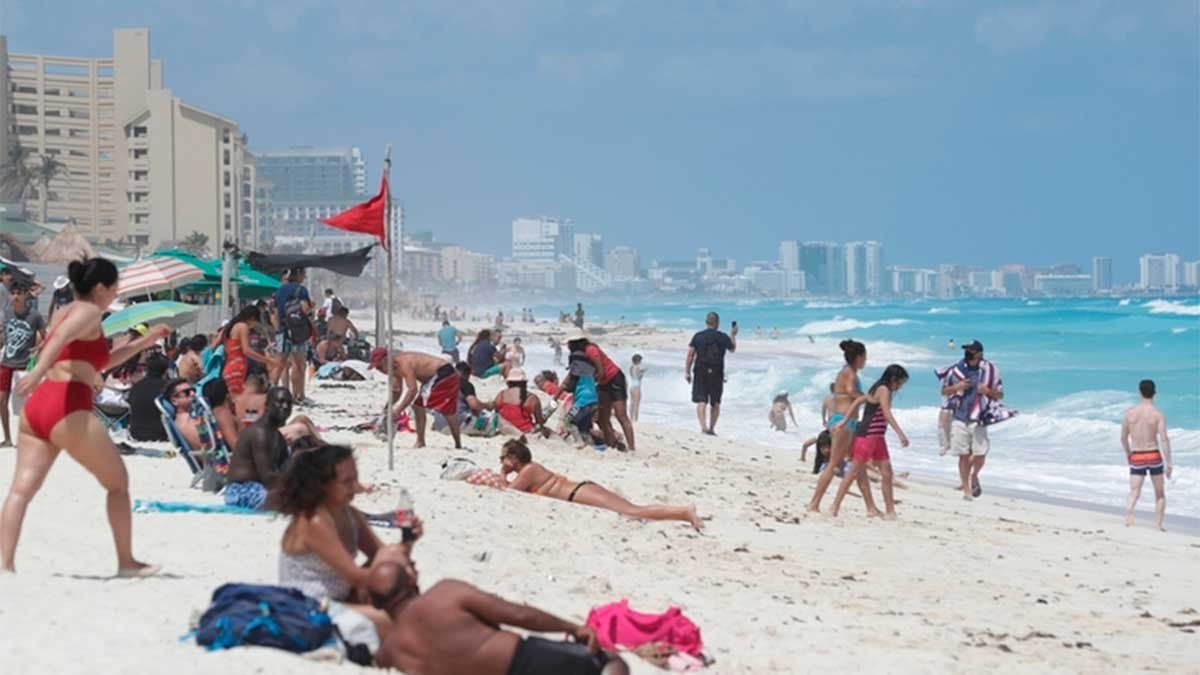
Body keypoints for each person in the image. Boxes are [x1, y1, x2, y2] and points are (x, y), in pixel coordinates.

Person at [2, 257, 166, 575]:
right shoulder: (89, 311)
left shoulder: (65, 311)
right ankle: (126, 562)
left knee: (21, 490)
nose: (117, 292)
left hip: (39, 408)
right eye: (115, 286)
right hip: (67, 406)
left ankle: (4, 567)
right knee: (118, 483)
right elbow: (60, 342)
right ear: (101, 287)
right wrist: (36, 373)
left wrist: (144, 342)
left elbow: (96, 362)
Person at [373, 563, 628, 675]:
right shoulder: (444, 594)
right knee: (611, 661)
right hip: (521, 663)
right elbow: (518, 615)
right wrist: (572, 627)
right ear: (412, 580)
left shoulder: (390, 651)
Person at [273, 444, 418, 641]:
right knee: (388, 621)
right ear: (324, 485)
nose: (355, 487)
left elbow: (381, 554)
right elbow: (355, 576)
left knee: (391, 558)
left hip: (341, 595)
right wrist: (399, 580)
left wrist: (408, 542)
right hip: (308, 605)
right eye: (347, 482)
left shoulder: (349, 514)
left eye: (355, 479)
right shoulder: (314, 520)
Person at [502, 438, 702, 529]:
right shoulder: (529, 471)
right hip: (579, 491)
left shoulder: (529, 470)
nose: (501, 461)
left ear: (513, 457)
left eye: (503, 458)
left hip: (579, 492)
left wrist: (503, 473)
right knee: (630, 512)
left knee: (632, 511)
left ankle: (684, 511)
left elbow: (510, 492)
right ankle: (682, 514)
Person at [829, 365, 910, 519]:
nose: (900, 386)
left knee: (887, 473)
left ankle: (890, 512)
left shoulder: (880, 388)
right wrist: (900, 434)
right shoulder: (883, 389)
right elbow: (886, 413)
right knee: (853, 473)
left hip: (878, 437)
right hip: (867, 436)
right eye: (900, 382)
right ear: (893, 379)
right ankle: (834, 507)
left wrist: (845, 420)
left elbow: (860, 399)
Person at [807, 339, 878, 515]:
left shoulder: (848, 372)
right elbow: (852, 392)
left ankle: (871, 507)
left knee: (859, 464)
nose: (866, 361)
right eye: (865, 357)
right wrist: (869, 398)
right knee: (833, 464)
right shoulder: (849, 374)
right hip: (843, 422)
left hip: (849, 422)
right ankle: (813, 504)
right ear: (858, 357)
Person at [941, 340, 1008, 501]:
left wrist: (988, 391)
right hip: (960, 416)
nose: (967, 352)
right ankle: (966, 490)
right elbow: (944, 391)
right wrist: (957, 387)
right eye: (966, 349)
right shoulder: (957, 370)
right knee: (963, 455)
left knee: (980, 454)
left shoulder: (990, 371)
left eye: (971, 350)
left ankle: (974, 475)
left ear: (979, 353)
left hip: (979, 417)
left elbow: (1000, 395)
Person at [370, 348, 463, 449]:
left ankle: (421, 441)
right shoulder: (394, 367)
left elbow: (412, 389)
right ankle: (458, 445)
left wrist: (398, 411)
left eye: (379, 366)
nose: (378, 370)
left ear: (386, 360)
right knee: (447, 410)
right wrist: (387, 409)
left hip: (443, 373)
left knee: (418, 406)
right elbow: (396, 391)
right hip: (443, 375)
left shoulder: (404, 363)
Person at [225, 387, 297, 509]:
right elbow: (268, 477)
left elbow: (286, 468)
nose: (285, 406)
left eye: (289, 403)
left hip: (260, 486)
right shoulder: (260, 434)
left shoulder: (277, 436)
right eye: (280, 402)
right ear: (267, 405)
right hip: (241, 491)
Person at [1121, 379, 1173, 531]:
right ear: (1154, 393)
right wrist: (1169, 463)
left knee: (1134, 491)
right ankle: (1158, 525)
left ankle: (1130, 511)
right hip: (1153, 455)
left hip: (1137, 455)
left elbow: (1123, 438)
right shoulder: (1158, 414)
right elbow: (1164, 439)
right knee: (1160, 493)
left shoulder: (1129, 414)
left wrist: (1128, 454)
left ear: (1139, 392)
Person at [1, 281, 46, 447]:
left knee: (26, 405)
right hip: (6, 362)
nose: (15, 296)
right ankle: (7, 438)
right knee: (1, 401)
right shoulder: (6, 312)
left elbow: (46, 336)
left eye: (19, 293)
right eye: (13, 293)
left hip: (24, 364)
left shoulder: (34, 316)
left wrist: (38, 349)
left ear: (27, 295)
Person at [684, 312, 737, 436]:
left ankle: (703, 428)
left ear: (706, 322)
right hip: (717, 372)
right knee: (715, 402)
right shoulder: (722, 337)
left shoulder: (698, 336)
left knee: (702, 400)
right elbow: (732, 349)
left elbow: (690, 355)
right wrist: (733, 335)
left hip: (700, 371)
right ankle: (712, 429)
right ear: (717, 323)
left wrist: (687, 371)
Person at [220, 304, 276, 409]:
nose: (254, 327)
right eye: (255, 323)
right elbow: (247, 350)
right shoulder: (243, 326)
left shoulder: (231, 327)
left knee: (231, 402)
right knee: (237, 402)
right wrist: (267, 360)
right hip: (237, 367)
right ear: (252, 318)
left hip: (230, 366)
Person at [275, 267, 313, 404]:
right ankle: (299, 395)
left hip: (283, 330)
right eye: (303, 274)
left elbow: (274, 312)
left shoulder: (279, 290)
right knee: (299, 364)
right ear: (298, 273)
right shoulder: (301, 290)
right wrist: (311, 308)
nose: (304, 277)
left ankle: (271, 392)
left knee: (280, 364)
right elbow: (305, 309)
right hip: (298, 331)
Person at [493, 368, 550, 438]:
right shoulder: (532, 398)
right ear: (525, 383)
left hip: (504, 430)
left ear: (508, 383)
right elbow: (539, 423)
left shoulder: (501, 395)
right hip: (525, 431)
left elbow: (496, 414)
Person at [126, 355, 171, 442]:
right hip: (161, 435)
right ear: (165, 371)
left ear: (147, 370)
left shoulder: (136, 387)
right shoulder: (169, 388)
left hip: (136, 433)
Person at [628, 354, 645, 422]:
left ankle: (631, 417)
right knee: (636, 404)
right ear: (638, 361)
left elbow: (633, 376)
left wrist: (640, 371)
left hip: (632, 386)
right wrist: (642, 373)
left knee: (632, 403)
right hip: (637, 387)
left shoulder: (631, 367)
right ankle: (636, 419)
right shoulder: (638, 367)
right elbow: (639, 377)